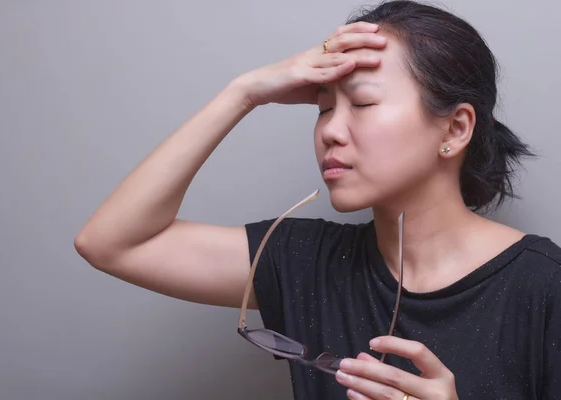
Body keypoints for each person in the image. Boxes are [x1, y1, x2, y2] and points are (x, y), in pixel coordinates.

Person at [74, 1, 561, 399]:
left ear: (455, 129)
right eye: (324, 107)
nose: (329, 129)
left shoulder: (544, 286)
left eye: (363, 104)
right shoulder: (304, 261)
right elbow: (111, 243)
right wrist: (244, 92)